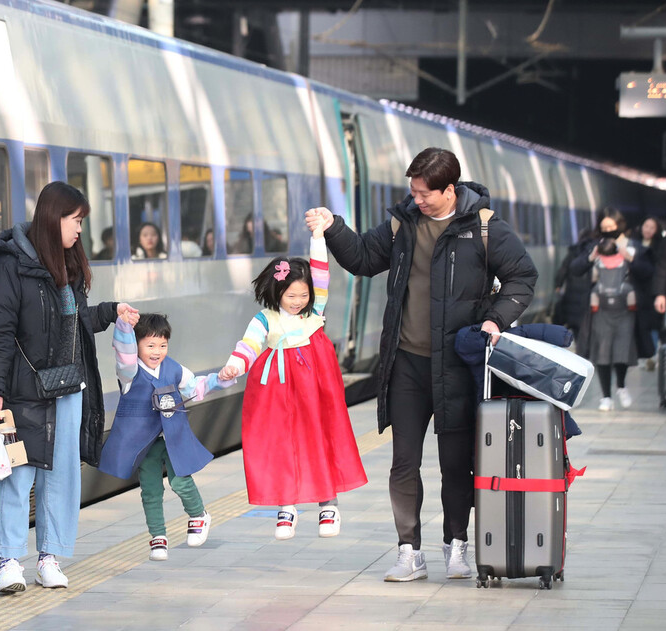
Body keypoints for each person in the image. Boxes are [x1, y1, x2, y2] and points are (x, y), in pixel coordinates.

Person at [305, 147, 537, 582]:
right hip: (407, 364)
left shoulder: (484, 228)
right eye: (412, 192)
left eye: (424, 193)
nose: (417, 200)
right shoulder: (402, 224)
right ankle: (409, 550)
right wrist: (333, 226)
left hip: (457, 365)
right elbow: (361, 259)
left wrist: (495, 318)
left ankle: (456, 544)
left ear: (450, 190)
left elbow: (524, 277)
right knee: (403, 462)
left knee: (456, 463)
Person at [0, 181, 139, 593]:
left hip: (68, 390)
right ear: (54, 219)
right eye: (76, 220)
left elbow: (76, 322)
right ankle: (9, 562)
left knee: (62, 477)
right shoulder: (9, 268)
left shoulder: (67, 268)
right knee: (17, 475)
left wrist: (110, 311)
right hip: (21, 393)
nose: (80, 230)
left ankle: (49, 558)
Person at [219, 224, 368, 541]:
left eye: (304, 294)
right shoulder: (265, 319)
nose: (298, 301)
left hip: (316, 390)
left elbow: (322, 273)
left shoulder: (315, 312)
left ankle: (328, 503)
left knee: (320, 436)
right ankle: (286, 506)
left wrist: (318, 238)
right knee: (280, 442)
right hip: (276, 390)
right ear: (276, 292)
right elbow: (249, 345)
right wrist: (235, 365)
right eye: (291, 295)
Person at [98, 313, 234, 561]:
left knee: (181, 481)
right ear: (136, 344)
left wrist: (220, 379)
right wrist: (123, 326)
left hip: (173, 437)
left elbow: (195, 387)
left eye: (162, 345)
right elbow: (123, 353)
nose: (156, 351)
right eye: (149, 345)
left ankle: (198, 515)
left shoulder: (174, 368)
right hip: (144, 444)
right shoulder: (128, 372)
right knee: (150, 490)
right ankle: (158, 537)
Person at [571, 210, 642, 411]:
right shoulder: (596, 248)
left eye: (611, 227)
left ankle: (621, 385)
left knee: (622, 349)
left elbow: (646, 272)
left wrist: (630, 258)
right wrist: (591, 257)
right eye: (604, 228)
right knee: (602, 351)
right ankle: (606, 396)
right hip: (599, 308)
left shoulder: (631, 247)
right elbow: (576, 269)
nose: (607, 231)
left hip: (625, 309)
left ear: (620, 225)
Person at [553, 228, 595, 357]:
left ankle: (580, 352)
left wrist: (558, 285)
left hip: (572, 295)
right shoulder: (593, 252)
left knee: (576, 326)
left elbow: (563, 270)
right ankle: (585, 352)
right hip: (588, 296)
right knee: (586, 327)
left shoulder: (573, 252)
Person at [630, 217, 661, 365]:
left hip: (653, 291)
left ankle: (652, 354)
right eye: (646, 226)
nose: (648, 229)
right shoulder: (633, 242)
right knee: (642, 323)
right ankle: (647, 355)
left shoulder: (660, 246)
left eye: (652, 227)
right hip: (638, 291)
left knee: (652, 324)